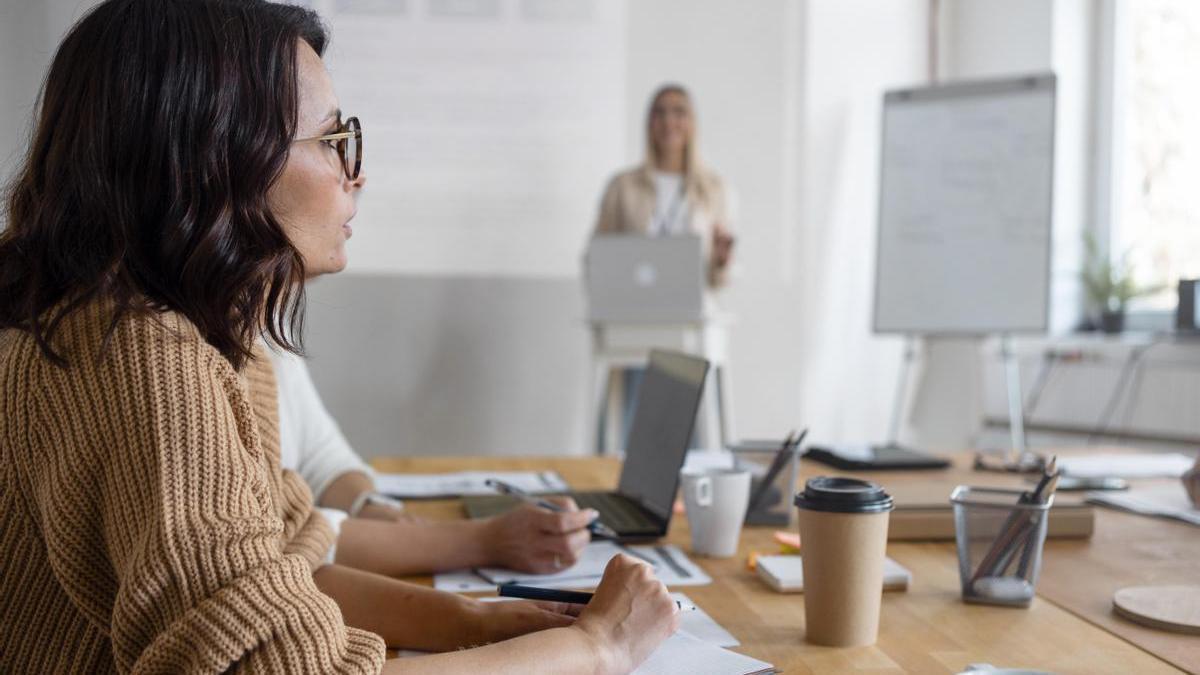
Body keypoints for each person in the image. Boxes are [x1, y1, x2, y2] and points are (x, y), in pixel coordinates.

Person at [0, 1, 677, 673]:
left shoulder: (201, 339)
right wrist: (598, 647)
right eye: (330, 139)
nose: (356, 173)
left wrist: (472, 622)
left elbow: (286, 565)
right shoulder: (142, 356)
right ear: (220, 159)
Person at [268, 346, 595, 576]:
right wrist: (486, 541)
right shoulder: (235, 342)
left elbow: (320, 455)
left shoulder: (268, 320)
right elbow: (278, 537)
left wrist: (370, 507)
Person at [594, 83, 736, 288]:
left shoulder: (714, 189)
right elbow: (597, 258)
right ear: (649, 123)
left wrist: (721, 261)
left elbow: (720, 281)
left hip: (691, 305)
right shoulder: (622, 187)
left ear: (692, 122)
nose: (668, 121)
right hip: (636, 303)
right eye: (659, 113)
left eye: (679, 112)